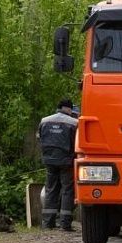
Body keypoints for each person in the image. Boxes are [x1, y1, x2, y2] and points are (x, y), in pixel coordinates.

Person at [38, 98, 79, 231]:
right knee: (67, 191)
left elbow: (40, 138)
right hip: (66, 162)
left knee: (51, 189)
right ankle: (65, 224)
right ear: (67, 108)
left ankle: (47, 223)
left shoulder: (44, 120)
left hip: (49, 160)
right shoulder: (74, 123)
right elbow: (77, 142)